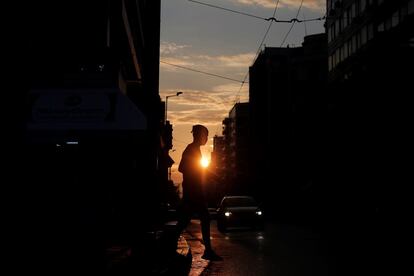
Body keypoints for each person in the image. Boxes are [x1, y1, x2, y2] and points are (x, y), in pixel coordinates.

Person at [175, 124, 222, 261]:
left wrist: (213, 176)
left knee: (188, 220)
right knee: (196, 219)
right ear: (199, 135)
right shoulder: (191, 149)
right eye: (205, 135)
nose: (206, 138)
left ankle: (207, 250)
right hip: (193, 192)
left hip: (195, 191)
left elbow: (199, 169)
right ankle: (207, 251)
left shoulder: (195, 150)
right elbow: (182, 167)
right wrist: (197, 173)